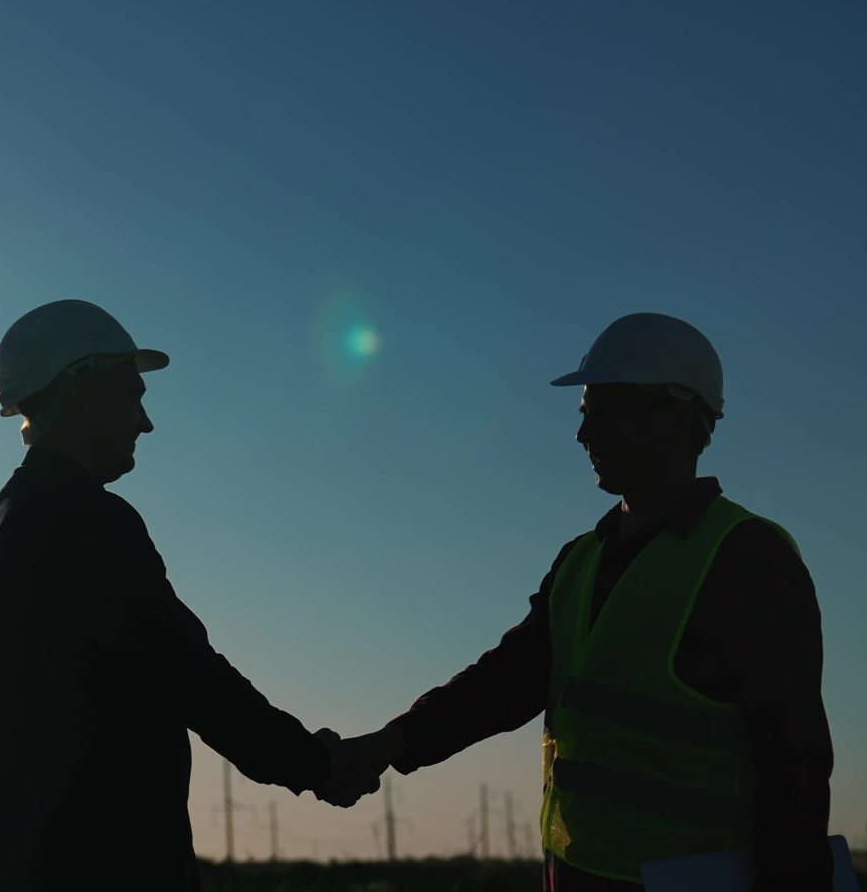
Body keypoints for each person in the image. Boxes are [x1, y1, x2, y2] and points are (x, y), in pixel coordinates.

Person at [325, 313, 833, 889]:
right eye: (583, 413)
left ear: (674, 414)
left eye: (603, 411)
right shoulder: (581, 559)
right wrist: (395, 741)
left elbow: (794, 766)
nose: (583, 434)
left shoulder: (749, 557)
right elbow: (509, 680)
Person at [0, 300, 351, 892]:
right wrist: (320, 765)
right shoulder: (86, 523)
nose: (145, 422)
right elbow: (192, 678)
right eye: (132, 396)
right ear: (82, 393)